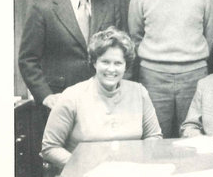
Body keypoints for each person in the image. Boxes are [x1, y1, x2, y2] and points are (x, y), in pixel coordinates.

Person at [128, 0, 213, 137]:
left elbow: (210, 33)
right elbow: (135, 35)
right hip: (153, 77)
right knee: (155, 137)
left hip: (194, 76)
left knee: (194, 137)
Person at [18, 0, 121, 109]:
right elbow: (27, 60)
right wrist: (45, 96)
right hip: (59, 102)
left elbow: (119, 54)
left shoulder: (108, 7)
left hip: (102, 100)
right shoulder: (44, 8)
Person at [41, 28, 162, 168]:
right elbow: (50, 148)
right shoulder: (72, 96)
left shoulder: (139, 93)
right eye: (105, 62)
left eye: (118, 63)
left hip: (130, 174)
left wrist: (138, 164)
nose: (111, 69)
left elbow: (154, 137)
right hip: (84, 176)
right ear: (94, 63)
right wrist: (82, 165)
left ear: (125, 66)